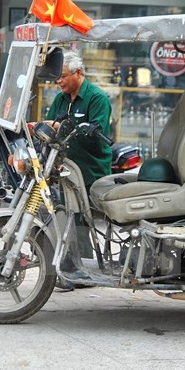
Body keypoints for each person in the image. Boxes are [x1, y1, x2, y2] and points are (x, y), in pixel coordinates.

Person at [45, 50, 112, 260]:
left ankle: (84, 264)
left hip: (90, 169)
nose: (59, 81)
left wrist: (63, 127)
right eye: (57, 76)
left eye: (63, 76)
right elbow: (51, 125)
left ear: (78, 73)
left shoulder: (97, 98)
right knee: (64, 215)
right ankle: (68, 261)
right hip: (65, 168)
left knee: (81, 217)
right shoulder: (61, 99)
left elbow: (96, 132)